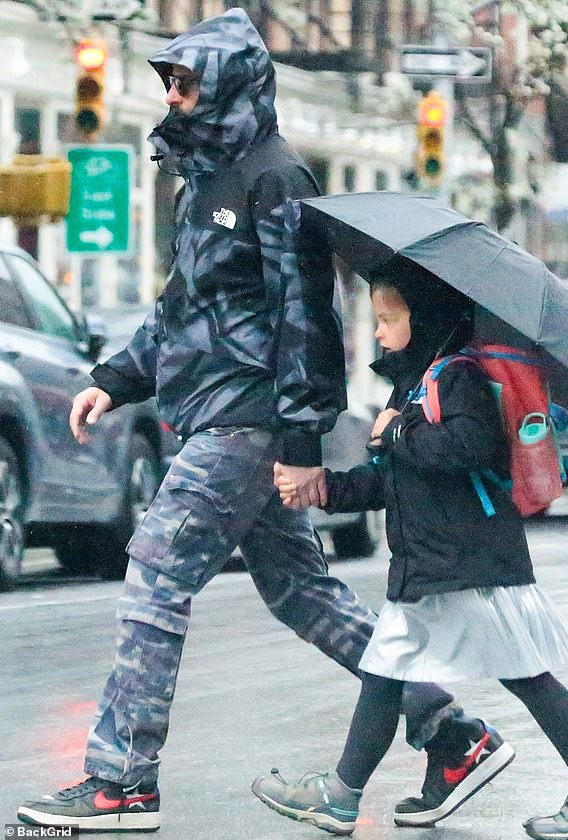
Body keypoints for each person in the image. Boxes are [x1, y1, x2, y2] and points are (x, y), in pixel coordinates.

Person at [17, 9, 510, 832]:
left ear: (231, 83)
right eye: (168, 83)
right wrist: (113, 378)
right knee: (301, 591)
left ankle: (122, 779)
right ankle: (450, 732)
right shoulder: (200, 179)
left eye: (186, 82)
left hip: (246, 420)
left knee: (154, 576)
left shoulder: (276, 178)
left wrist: (301, 439)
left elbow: (304, 316)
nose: (172, 98)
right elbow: (182, 310)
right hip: (211, 409)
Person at [252, 268, 568, 840]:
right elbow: (390, 482)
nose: (379, 333)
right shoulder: (412, 385)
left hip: (466, 564)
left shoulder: (458, 376)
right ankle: (342, 795)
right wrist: (326, 487)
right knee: (388, 673)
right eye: (377, 320)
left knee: (524, 675)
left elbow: (474, 445)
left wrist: (398, 432)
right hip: (434, 564)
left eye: (388, 319)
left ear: (422, 317)